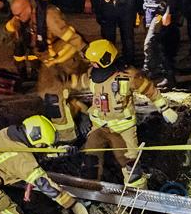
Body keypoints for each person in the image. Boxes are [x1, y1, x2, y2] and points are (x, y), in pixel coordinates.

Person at [74, 39, 179, 189]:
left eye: (94, 62)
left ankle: (139, 196)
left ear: (105, 59)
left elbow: (148, 89)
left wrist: (164, 108)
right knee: (90, 161)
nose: (92, 64)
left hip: (123, 129)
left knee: (131, 167)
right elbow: (76, 84)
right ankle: (90, 192)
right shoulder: (92, 74)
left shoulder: (129, 76)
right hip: (99, 126)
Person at [7, 0, 89, 142]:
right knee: (45, 92)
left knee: (54, 95)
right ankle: (76, 108)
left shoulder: (49, 16)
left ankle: (67, 135)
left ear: (28, 8)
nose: (17, 18)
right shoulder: (24, 18)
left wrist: (86, 51)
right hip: (50, 61)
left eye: (19, 15)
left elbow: (70, 35)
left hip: (66, 58)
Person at [0, 0, 62, 80]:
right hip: (17, 8)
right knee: (18, 42)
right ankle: (22, 72)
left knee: (34, 38)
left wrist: (43, 0)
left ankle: (36, 70)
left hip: (34, 8)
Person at [90, 0, 140, 65]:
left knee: (127, 36)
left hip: (125, 8)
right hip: (108, 7)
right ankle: (108, 62)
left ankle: (128, 62)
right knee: (109, 38)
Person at [141, 0, 178, 87]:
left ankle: (150, 72)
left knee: (151, 43)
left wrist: (168, 13)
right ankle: (164, 75)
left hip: (159, 14)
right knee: (158, 45)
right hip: (149, 13)